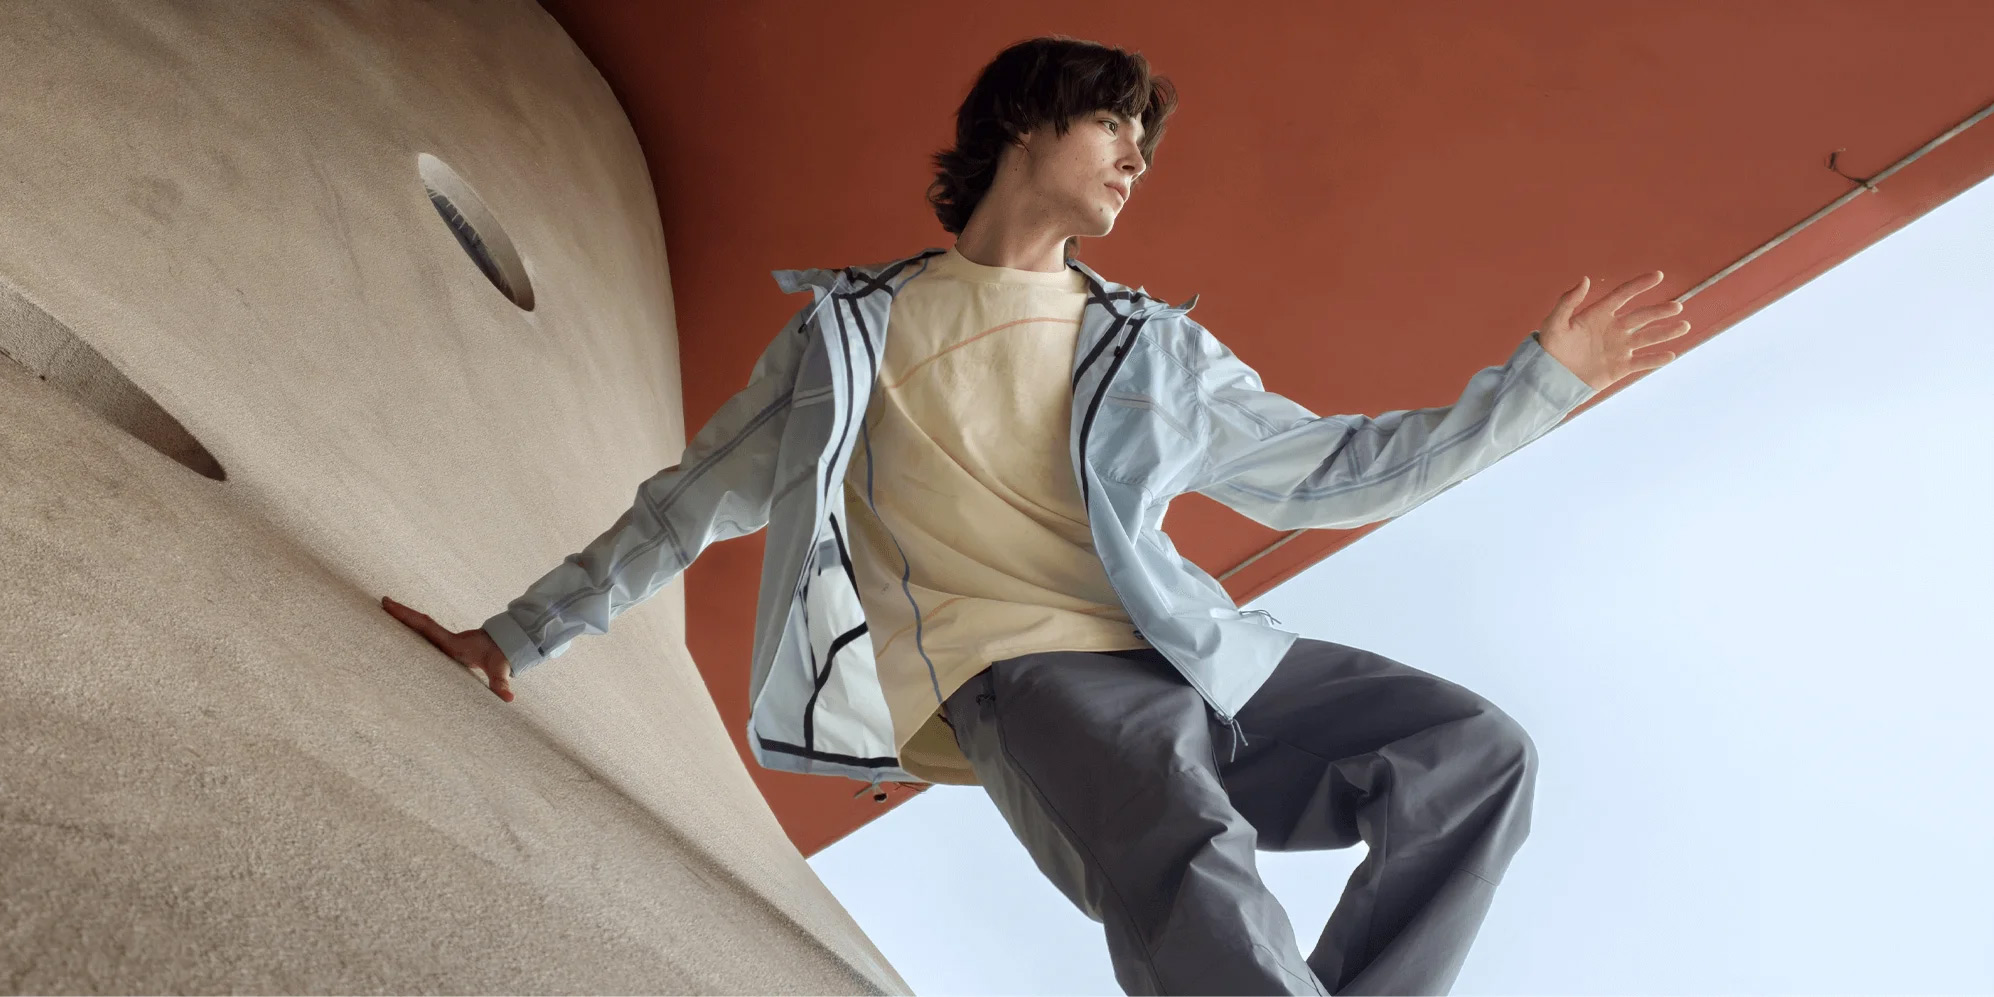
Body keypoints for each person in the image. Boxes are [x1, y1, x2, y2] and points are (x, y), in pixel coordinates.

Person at [382, 35, 1692, 996]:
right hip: (1023, 673)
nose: (1135, 157)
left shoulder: (1151, 346)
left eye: (1141, 138)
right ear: (1024, 125)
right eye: (1112, 123)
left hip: (1197, 654)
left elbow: (1340, 471)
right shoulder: (852, 337)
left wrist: (1537, 386)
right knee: (1186, 851)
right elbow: (680, 510)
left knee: (1474, 753)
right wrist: (511, 637)